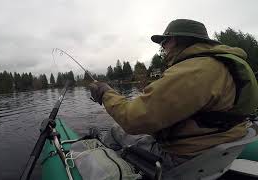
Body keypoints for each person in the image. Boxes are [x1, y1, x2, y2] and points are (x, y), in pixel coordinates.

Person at [89, 19, 258, 171]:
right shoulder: (226, 65)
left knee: (115, 131)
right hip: (219, 147)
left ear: (175, 40)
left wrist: (105, 93)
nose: (162, 47)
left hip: (183, 158)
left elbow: (132, 119)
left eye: (164, 41)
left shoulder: (194, 70)